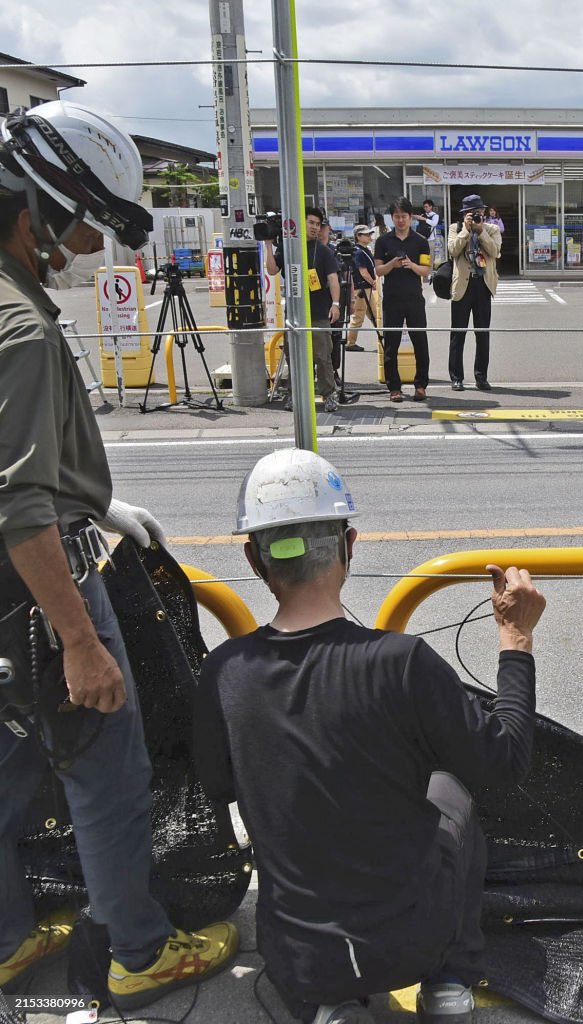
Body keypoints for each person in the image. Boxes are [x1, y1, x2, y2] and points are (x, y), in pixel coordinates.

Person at [0, 101, 237, 1007]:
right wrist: (79, 639)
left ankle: (7, 940)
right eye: (85, 223)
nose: (95, 246)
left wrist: (94, 498)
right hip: (34, 585)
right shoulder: (21, 330)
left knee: (8, 766)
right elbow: (19, 502)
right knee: (105, 771)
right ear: (37, 213)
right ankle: (139, 952)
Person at [193, 448, 546, 1024]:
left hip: (298, 961)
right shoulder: (401, 662)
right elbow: (504, 763)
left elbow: (217, 783)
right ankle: (449, 982)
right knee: (451, 792)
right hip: (414, 942)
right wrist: (515, 638)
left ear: (254, 560)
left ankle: (333, 1004)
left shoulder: (225, 671)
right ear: (350, 546)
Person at [265, 206, 342, 413]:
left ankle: (329, 395)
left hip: (319, 312)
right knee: (295, 357)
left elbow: (333, 278)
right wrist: (268, 244)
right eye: (311, 223)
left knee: (323, 357)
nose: (315, 228)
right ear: (302, 223)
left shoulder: (323, 250)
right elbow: (272, 269)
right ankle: (295, 394)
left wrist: (336, 304)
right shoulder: (288, 247)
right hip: (295, 314)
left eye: (318, 224)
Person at [374, 196, 432, 402]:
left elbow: (425, 271)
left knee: (420, 343)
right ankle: (394, 388)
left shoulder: (421, 241)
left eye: (404, 216)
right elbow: (378, 270)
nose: (400, 220)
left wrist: (410, 265)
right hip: (391, 299)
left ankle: (421, 385)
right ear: (392, 218)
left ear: (410, 218)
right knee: (391, 344)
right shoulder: (383, 241)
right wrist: (392, 264)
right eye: (397, 217)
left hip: (414, 299)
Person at [448, 194, 502, 391]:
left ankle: (481, 377)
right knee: (458, 334)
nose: (477, 217)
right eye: (472, 214)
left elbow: (495, 252)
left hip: (482, 285)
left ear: (484, 213)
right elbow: (453, 250)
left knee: (482, 333)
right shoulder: (456, 228)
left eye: (480, 213)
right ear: (464, 214)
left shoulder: (492, 229)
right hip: (463, 285)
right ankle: (456, 378)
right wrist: (465, 231)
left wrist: (481, 232)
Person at [346, 224, 378, 353]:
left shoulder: (365, 250)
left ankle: (384, 337)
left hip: (366, 288)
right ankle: (350, 342)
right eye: (366, 235)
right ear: (358, 236)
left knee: (375, 314)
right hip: (362, 288)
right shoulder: (358, 252)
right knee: (359, 316)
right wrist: (373, 282)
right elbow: (363, 272)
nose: (370, 237)